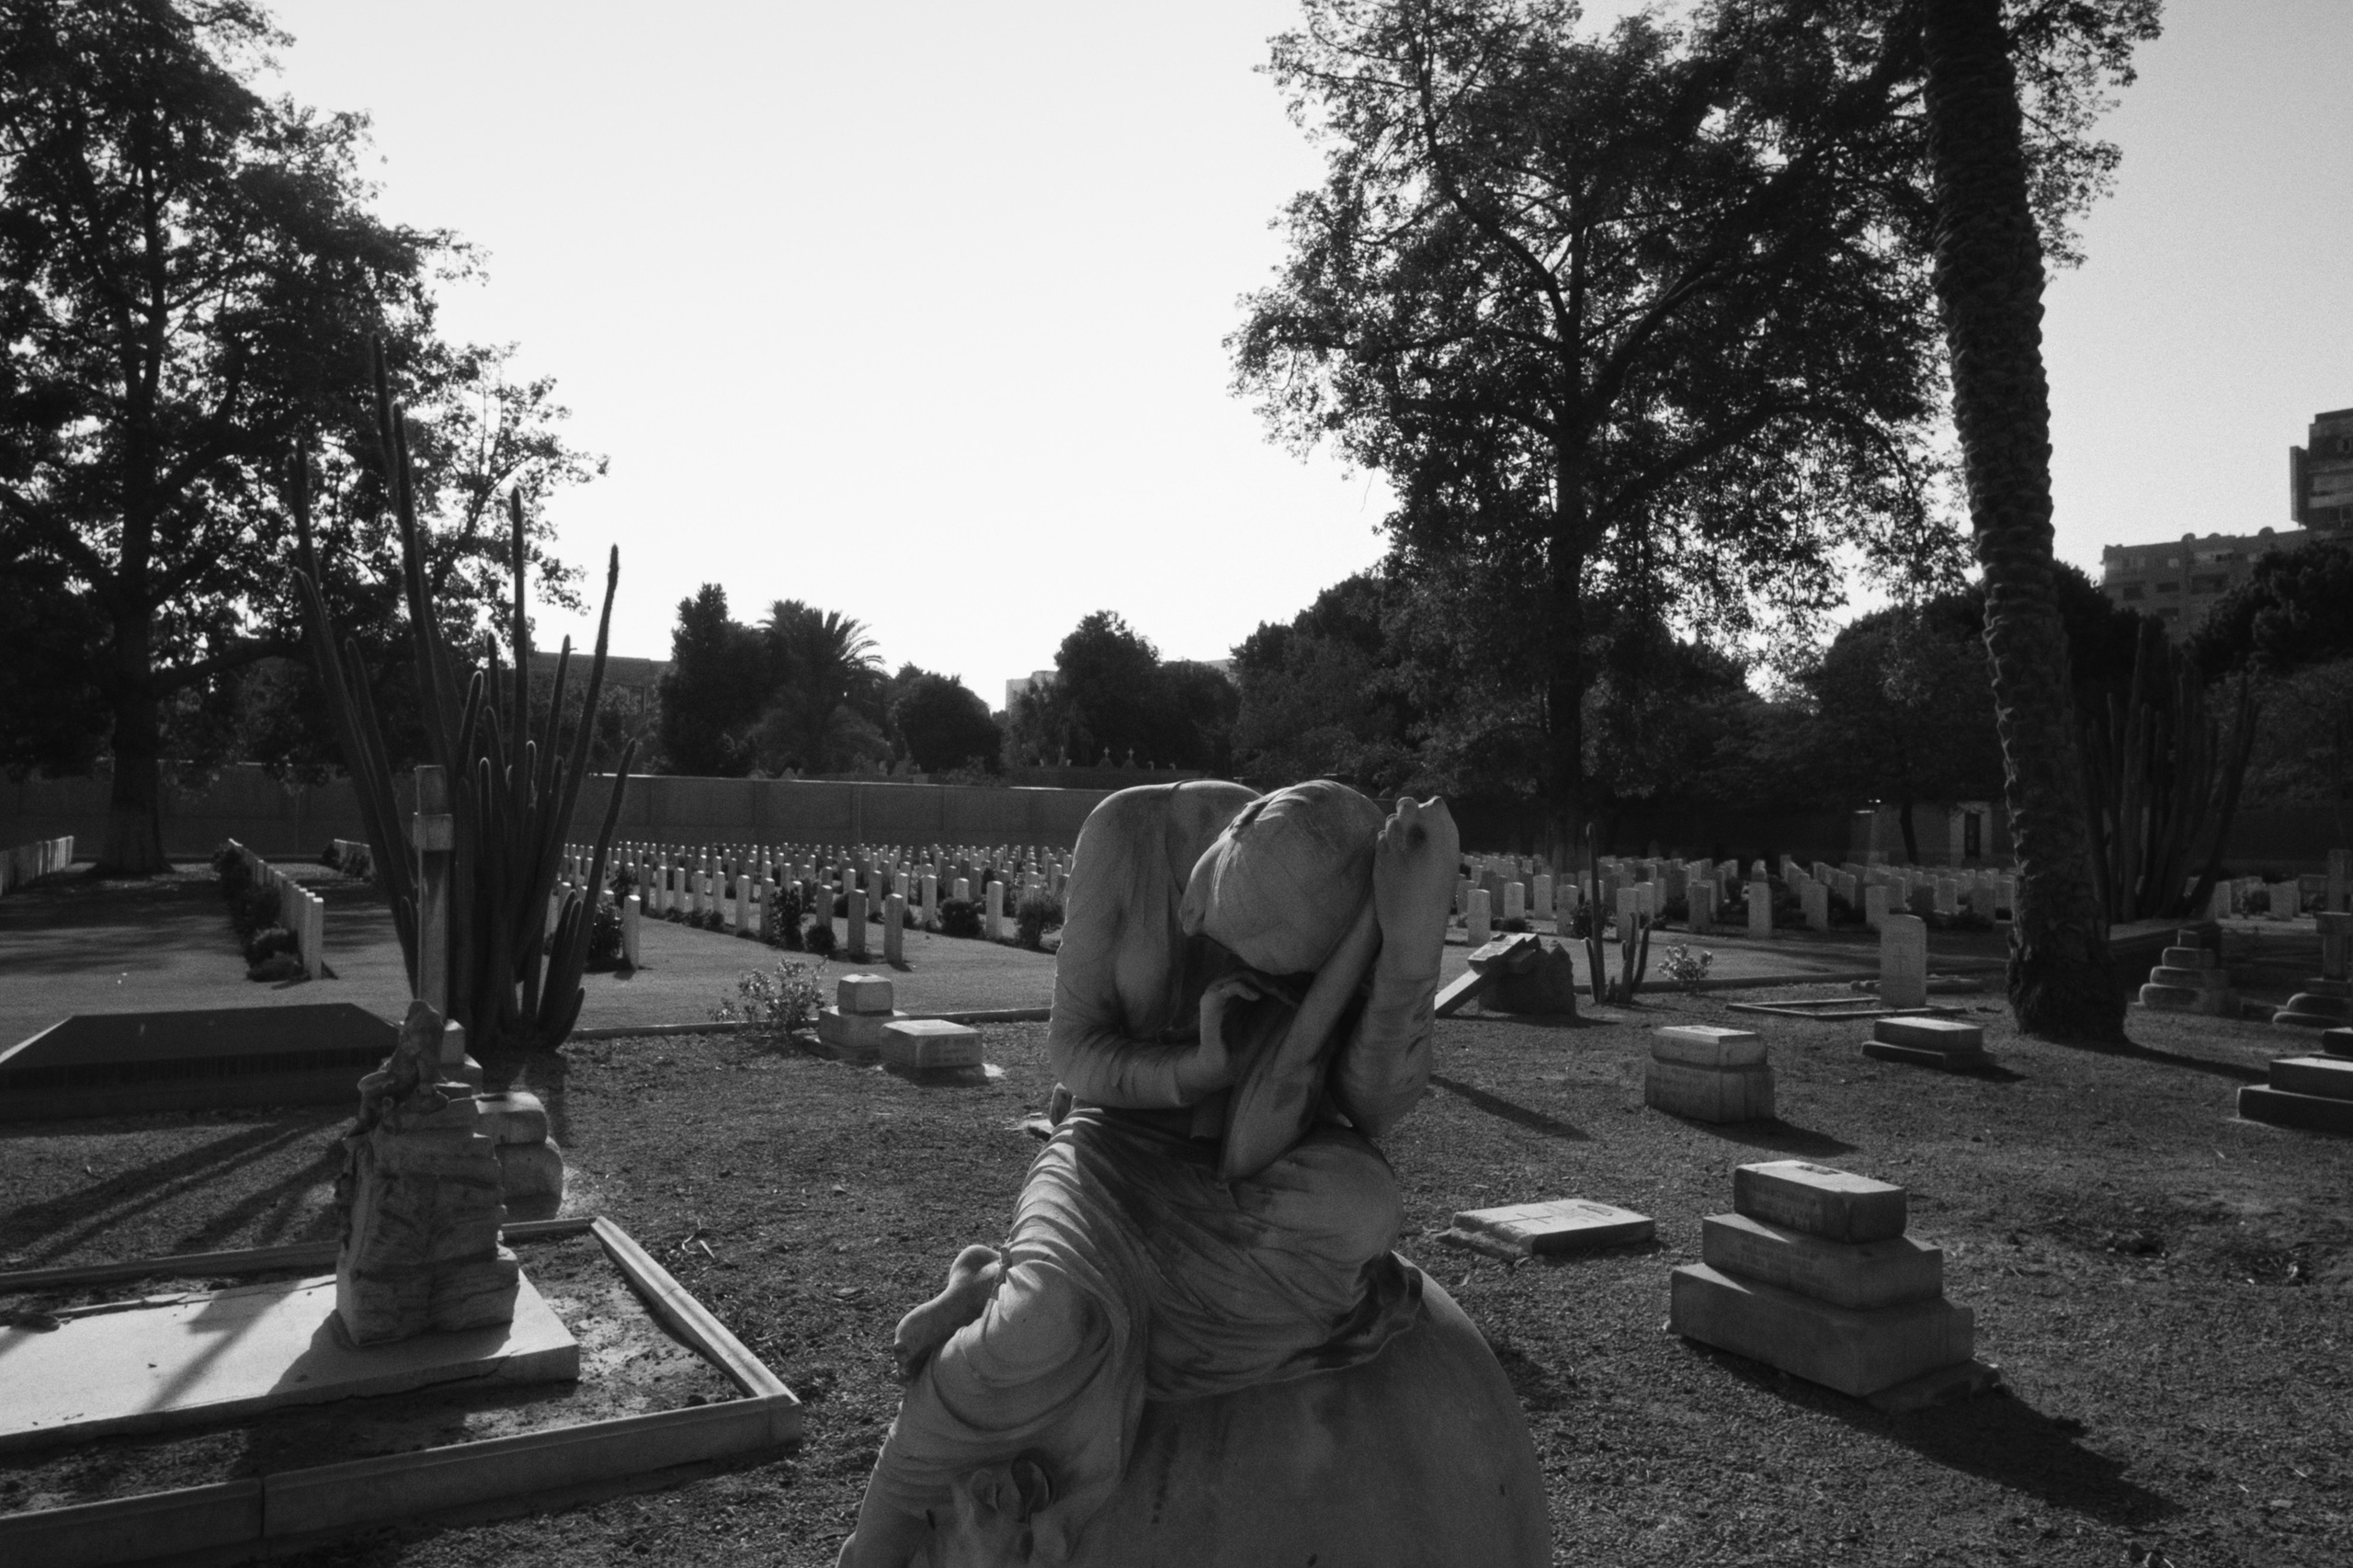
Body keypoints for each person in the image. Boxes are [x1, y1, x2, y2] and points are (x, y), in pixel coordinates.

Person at [838, 779, 1459, 1566]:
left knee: (1364, 1208)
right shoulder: (1125, 835)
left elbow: (1365, 1106)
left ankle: (1013, 1286)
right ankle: (881, 1536)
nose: (1210, 938)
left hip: (1239, 1160)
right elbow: (1074, 1052)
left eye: (1267, 960)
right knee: (1047, 1323)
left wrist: (1407, 955)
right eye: (1222, 926)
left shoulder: (1334, 889)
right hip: (1111, 1149)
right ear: (1232, 834)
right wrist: (1195, 1068)